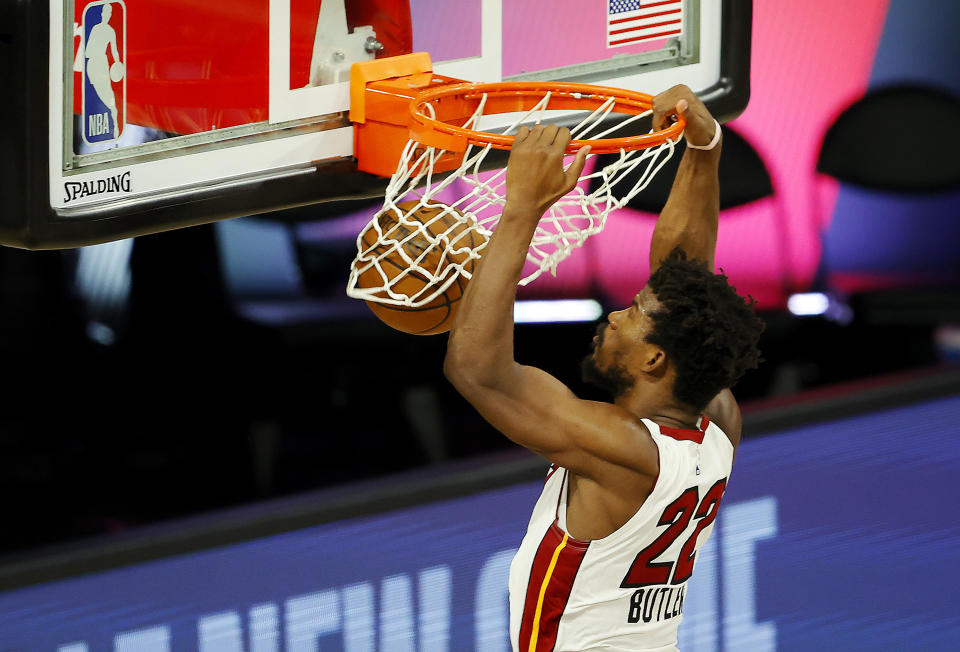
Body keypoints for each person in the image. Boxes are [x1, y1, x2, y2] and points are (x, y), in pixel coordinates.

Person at [444, 85, 764, 652]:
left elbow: (478, 369)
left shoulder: (622, 448)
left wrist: (522, 207)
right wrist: (704, 148)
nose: (616, 314)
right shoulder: (715, 424)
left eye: (635, 314)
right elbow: (681, 278)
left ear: (654, 359)